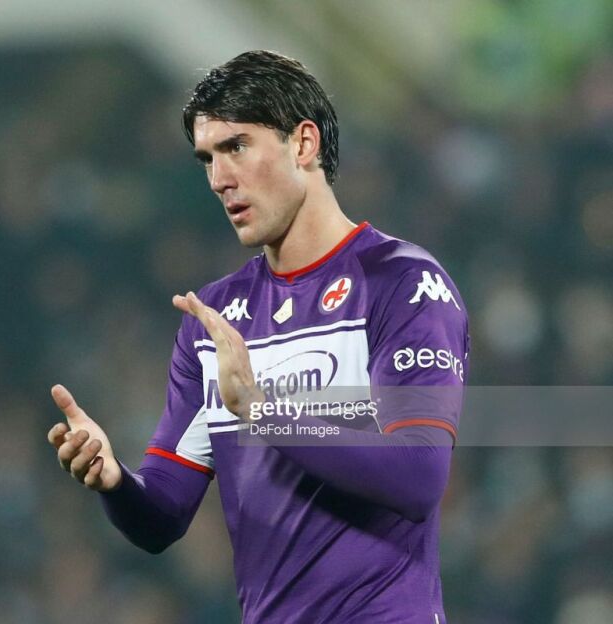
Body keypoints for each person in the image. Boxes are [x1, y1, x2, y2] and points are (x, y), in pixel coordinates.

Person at [47, 50, 468, 624]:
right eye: (208, 158)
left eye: (237, 147)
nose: (219, 179)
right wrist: (114, 481)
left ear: (304, 144)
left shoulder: (401, 283)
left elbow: (418, 475)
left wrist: (263, 411)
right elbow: (162, 515)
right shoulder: (215, 317)